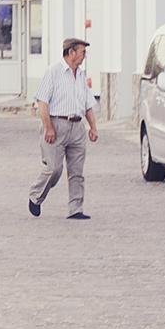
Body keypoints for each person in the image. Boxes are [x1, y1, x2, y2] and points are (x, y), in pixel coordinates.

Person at [29, 37, 98, 220]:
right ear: (71, 52)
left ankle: (76, 209)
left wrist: (93, 127)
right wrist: (48, 127)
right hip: (56, 124)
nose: (85, 56)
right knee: (54, 168)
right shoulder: (54, 72)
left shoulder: (81, 75)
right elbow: (42, 101)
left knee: (77, 172)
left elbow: (88, 104)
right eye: (83, 52)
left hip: (77, 127)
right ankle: (36, 196)